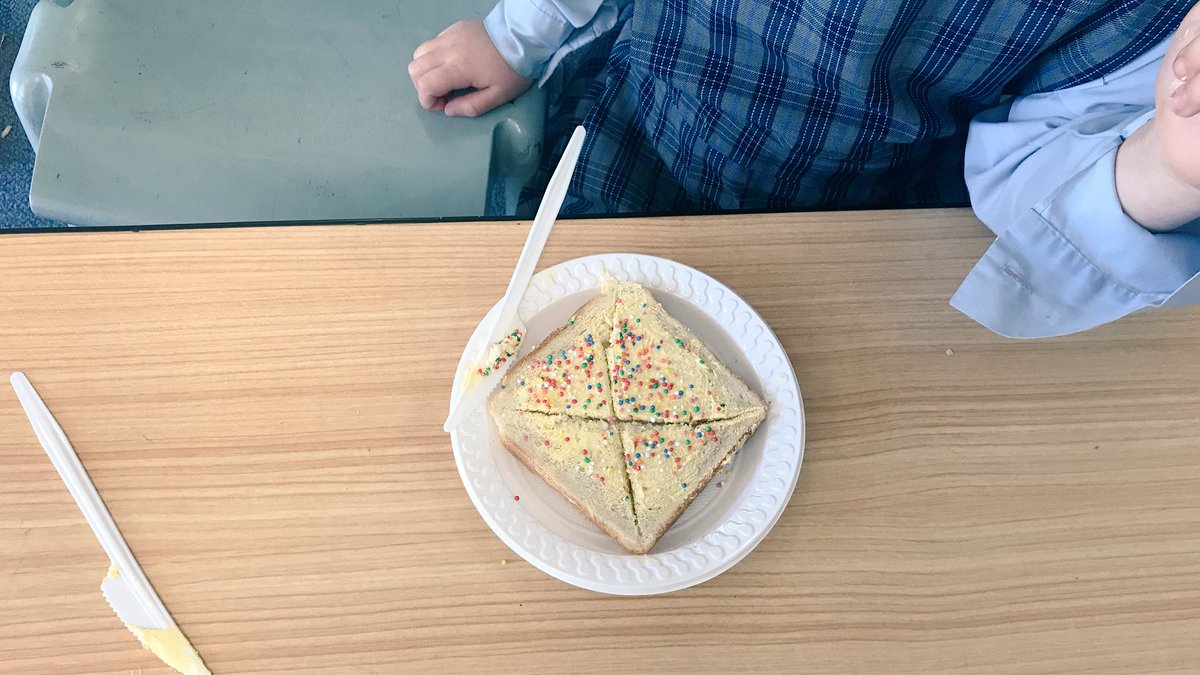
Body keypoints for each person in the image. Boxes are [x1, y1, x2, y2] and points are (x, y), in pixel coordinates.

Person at [408, 0, 1200, 338]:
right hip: (642, 122)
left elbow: (1031, 184)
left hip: (868, 225)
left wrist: (1168, 169)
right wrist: (518, 35)